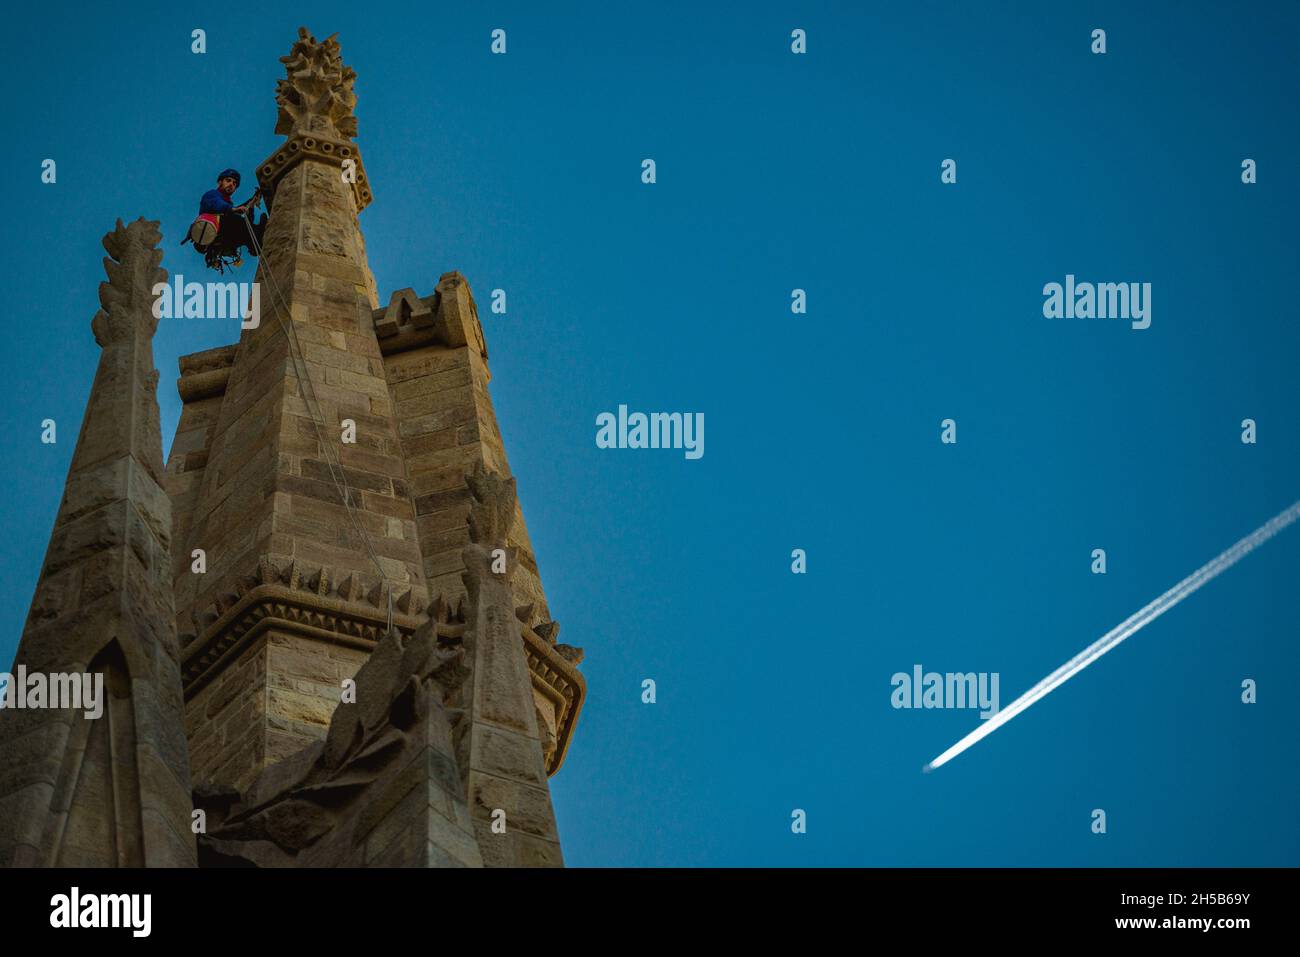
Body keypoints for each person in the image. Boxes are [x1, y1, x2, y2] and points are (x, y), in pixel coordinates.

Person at [185, 168, 266, 269]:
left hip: (223, 240)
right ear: (220, 182)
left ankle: (254, 241)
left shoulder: (228, 205)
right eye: (228, 180)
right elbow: (216, 204)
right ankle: (257, 235)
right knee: (235, 219)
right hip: (215, 232)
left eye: (234, 183)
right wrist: (232, 209)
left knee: (240, 222)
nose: (231, 184)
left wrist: (251, 204)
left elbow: (242, 217)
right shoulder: (212, 194)